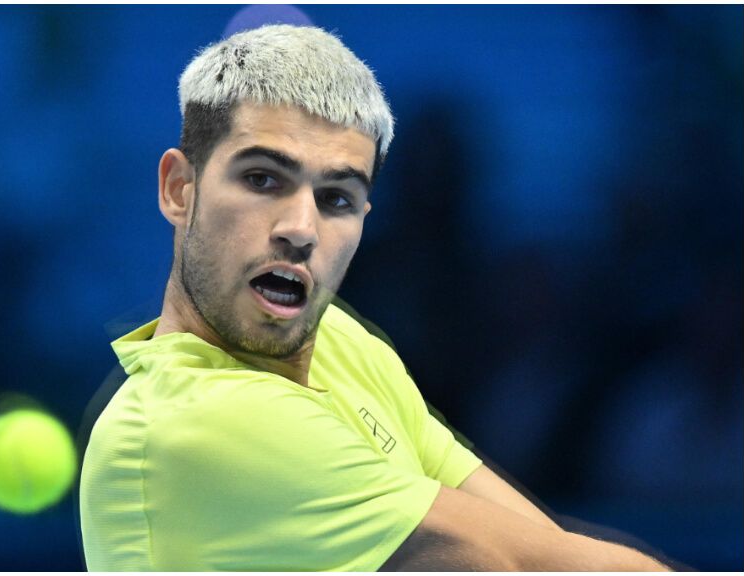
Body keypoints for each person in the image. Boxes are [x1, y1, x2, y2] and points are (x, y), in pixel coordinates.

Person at [78, 24, 671, 571]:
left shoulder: (341, 343)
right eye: (262, 179)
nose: (301, 229)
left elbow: (548, 547)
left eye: (336, 197)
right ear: (179, 189)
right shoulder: (191, 424)